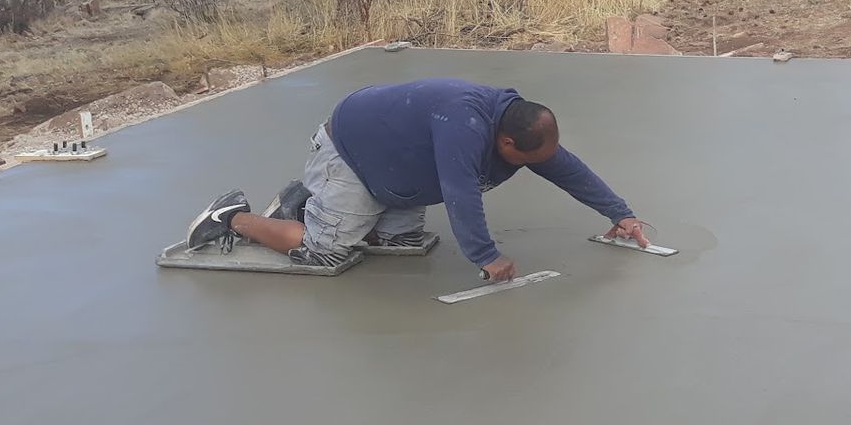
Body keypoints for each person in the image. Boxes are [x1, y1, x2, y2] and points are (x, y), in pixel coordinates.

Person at [183, 78, 648, 279]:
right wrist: (486, 255)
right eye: (527, 159)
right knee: (323, 254)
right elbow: (460, 190)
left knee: (399, 244)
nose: (538, 163)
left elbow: (564, 167)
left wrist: (619, 213)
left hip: (393, 161)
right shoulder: (464, 127)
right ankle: (234, 217)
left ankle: (302, 205)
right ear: (506, 143)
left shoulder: (515, 124)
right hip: (351, 152)